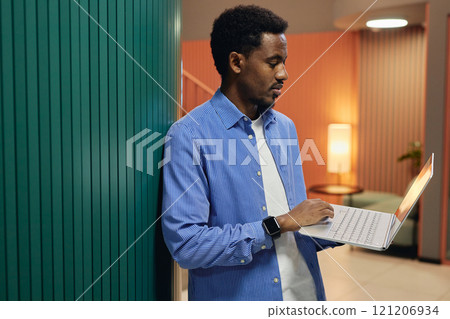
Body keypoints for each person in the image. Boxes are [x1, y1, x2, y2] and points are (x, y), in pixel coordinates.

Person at [161, 5, 339, 301]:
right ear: (236, 62)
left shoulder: (285, 128)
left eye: (284, 62)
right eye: (273, 62)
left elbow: (295, 220)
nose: (284, 73)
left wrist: (333, 228)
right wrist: (278, 224)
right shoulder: (189, 136)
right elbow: (188, 246)